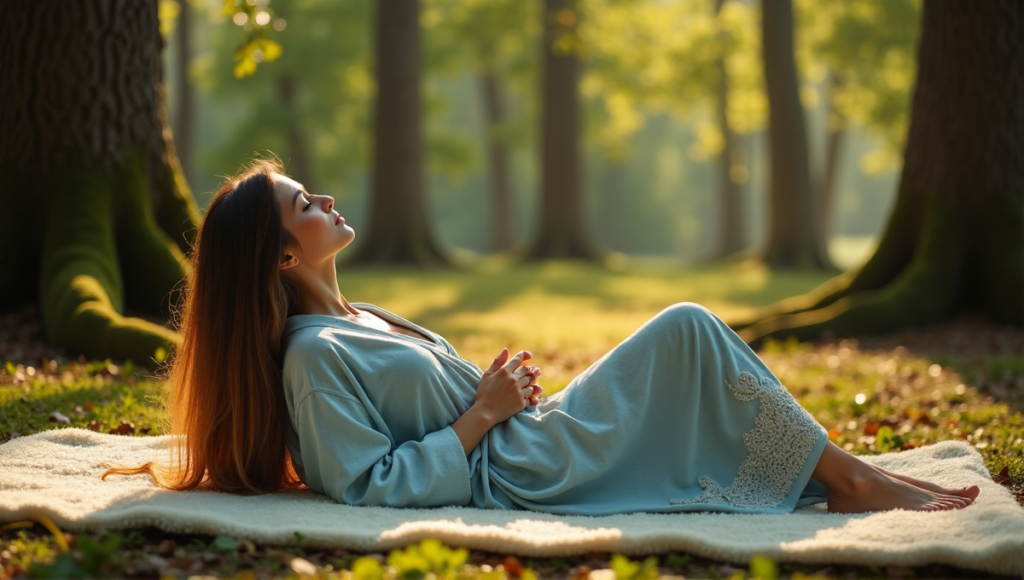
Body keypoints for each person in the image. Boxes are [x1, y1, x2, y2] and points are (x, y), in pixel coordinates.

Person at [104, 160, 980, 515]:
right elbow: (365, 485)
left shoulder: (360, 321)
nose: (326, 201)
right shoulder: (311, 356)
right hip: (524, 470)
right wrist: (481, 417)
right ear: (285, 252)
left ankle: (840, 476)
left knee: (690, 338)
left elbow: (424, 408)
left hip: (532, 431)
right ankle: (851, 480)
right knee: (687, 330)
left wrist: (490, 393)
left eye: (314, 191)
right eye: (306, 204)